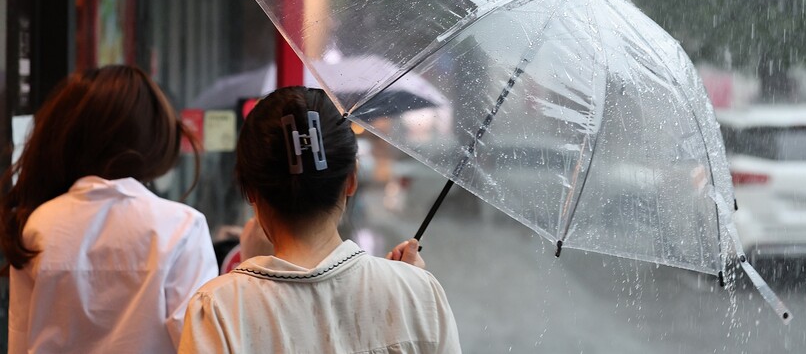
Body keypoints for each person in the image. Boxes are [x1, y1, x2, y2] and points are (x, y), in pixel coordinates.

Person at [178, 86, 461, 353]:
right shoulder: (419, 295)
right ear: (351, 180)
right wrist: (404, 284)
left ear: (250, 191)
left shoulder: (218, 310)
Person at [0, 65, 218, 353]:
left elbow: (19, 342)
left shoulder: (38, 224)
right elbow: (200, 345)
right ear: (154, 136)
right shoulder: (182, 227)